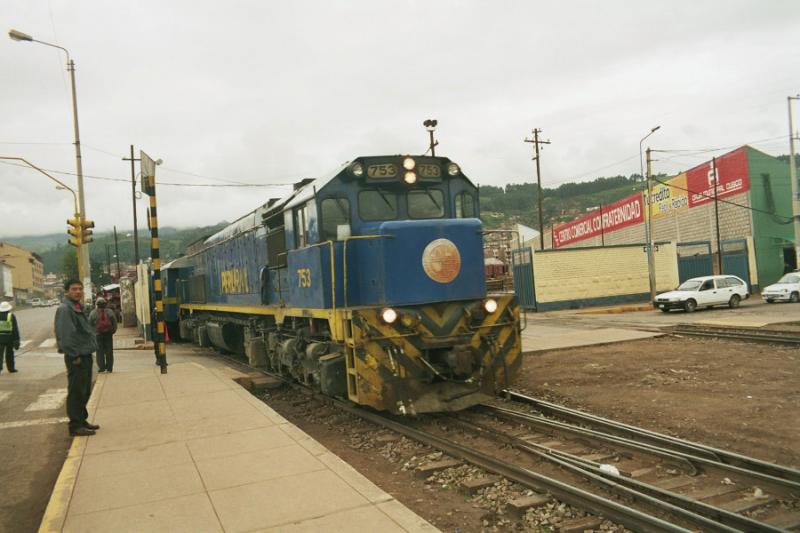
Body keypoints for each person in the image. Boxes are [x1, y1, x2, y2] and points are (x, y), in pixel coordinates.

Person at [54, 279, 100, 437]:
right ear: (67, 291)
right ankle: (75, 425)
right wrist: (74, 355)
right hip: (77, 356)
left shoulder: (77, 307)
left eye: (80, 289)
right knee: (76, 391)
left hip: (85, 353)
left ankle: (82, 420)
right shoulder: (65, 309)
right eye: (74, 289)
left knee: (84, 390)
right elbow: (66, 335)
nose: (78, 292)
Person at [89, 297, 117, 373]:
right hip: (108, 334)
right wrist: (112, 331)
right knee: (109, 351)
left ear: (97, 304)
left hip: (98, 335)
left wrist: (93, 333)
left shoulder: (93, 313)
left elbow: (90, 324)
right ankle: (109, 368)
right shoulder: (110, 312)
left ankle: (101, 368)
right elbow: (114, 323)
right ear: (105, 304)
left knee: (99, 352)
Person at [0, 301, 20, 374]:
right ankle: (11, 368)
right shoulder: (11, 316)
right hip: (9, 337)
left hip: (0, 338)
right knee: (9, 354)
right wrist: (17, 339)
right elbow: (15, 328)